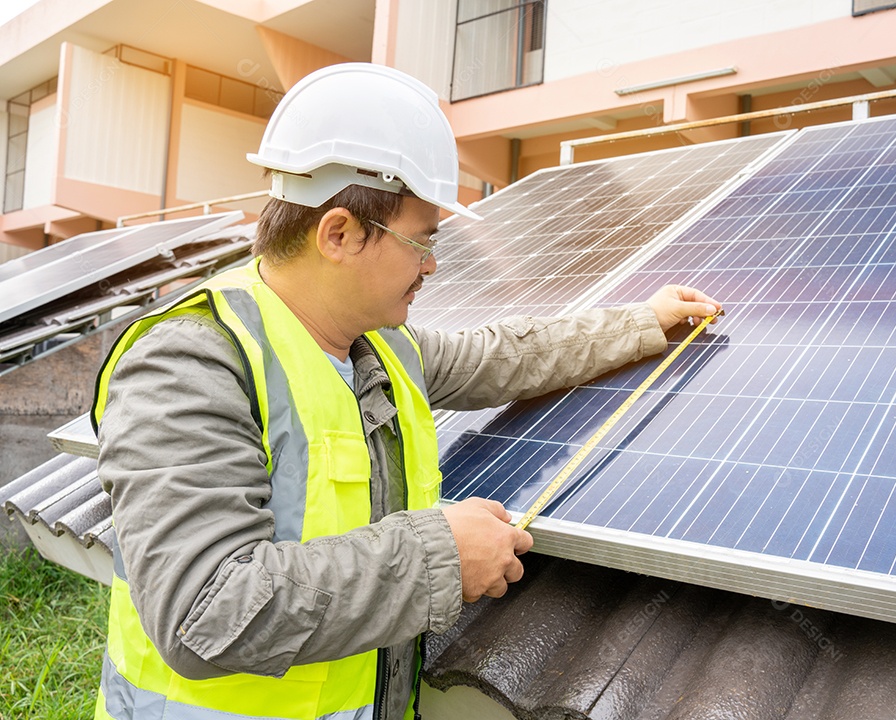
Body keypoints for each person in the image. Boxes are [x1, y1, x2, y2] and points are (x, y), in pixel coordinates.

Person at [91, 63, 721, 720]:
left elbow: (504, 356)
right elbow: (205, 611)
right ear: (339, 234)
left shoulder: (381, 347)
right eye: (420, 241)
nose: (432, 264)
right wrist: (440, 557)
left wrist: (642, 323)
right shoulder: (189, 362)